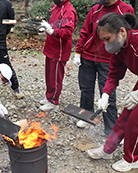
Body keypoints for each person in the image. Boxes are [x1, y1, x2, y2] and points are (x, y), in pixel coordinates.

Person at [86, 12, 138, 172]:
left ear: (122, 32)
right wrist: (106, 94)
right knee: (125, 115)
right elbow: (114, 74)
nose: (106, 44)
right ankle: (108, 150)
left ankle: (132, 159)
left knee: (135, 120)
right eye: (103, 40)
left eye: (107, 39)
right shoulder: (119, 49)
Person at [73, 0, 134, 135]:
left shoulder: (125, 9)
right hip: (89, 57)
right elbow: (84, 32)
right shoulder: (95, 9)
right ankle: (86, 115)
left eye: (106, 39)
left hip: (108, 60)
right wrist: (78, 52)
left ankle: (111, 129)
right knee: (86, 89)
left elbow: (128, 38)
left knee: (108, 97)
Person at [38, 0, 77, 111]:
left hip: (59, 50)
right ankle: (49, 96)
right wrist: (46, 29)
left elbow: (67, 32)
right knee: (49, 75)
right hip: (51, 47)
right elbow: (55, 25)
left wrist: (51, 31)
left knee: (55, 77)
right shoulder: (56, 6)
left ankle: (54, 102)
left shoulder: (68, 10)